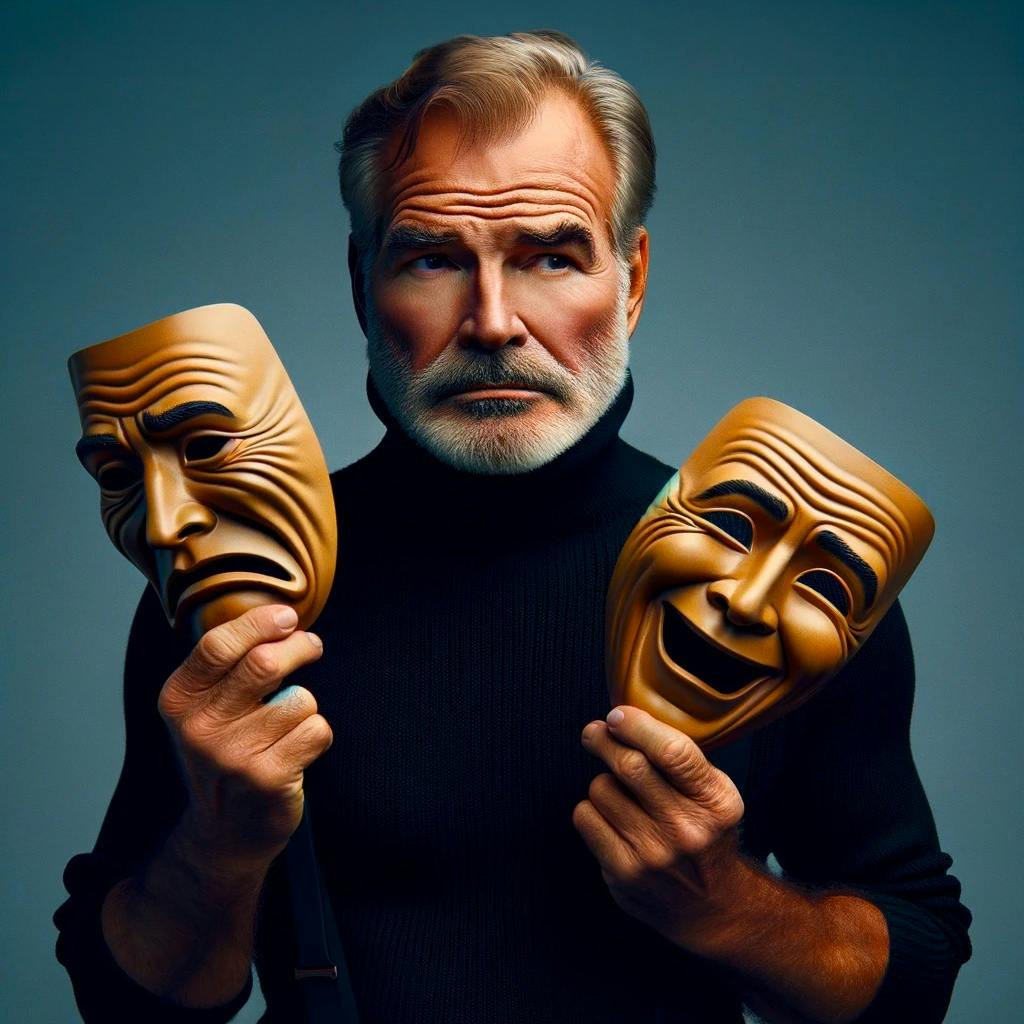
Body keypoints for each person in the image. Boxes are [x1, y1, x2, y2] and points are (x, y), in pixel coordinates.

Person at [55, 30, 971, 1024]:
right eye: (434, 256)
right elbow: (127, 1005)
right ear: (363, 282)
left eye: (549, 256)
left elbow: (914, 971)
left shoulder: (789, 588)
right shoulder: (225, 581)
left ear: (631, 279)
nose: (492, 320)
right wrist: (217, 844)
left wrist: (732, 908)